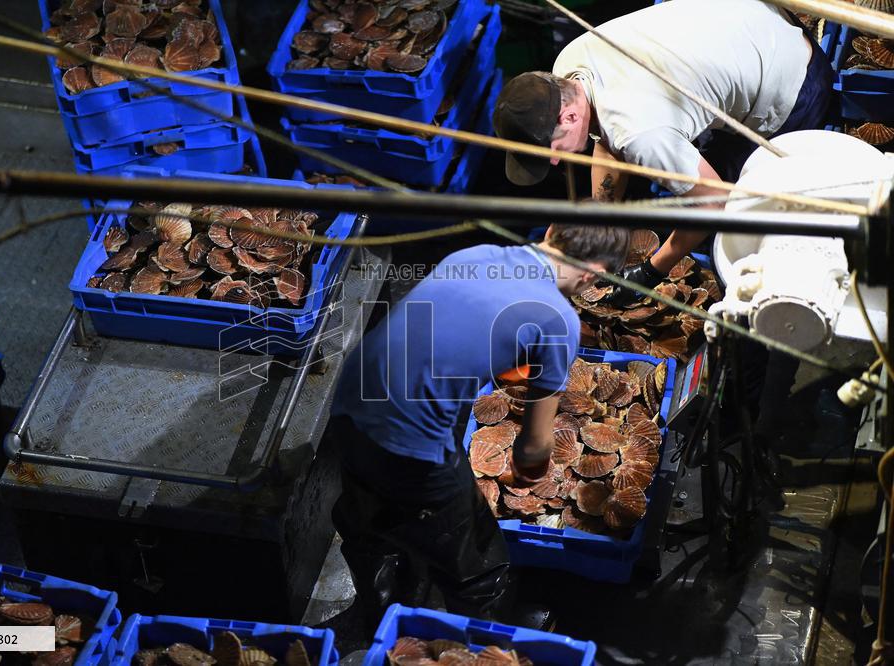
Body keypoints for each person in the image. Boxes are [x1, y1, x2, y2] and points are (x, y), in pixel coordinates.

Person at [326, 225, 630, 628]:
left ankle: (376, 606)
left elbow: (445, 339)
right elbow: (533, 449)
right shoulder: (559, 320)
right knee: (477, 557)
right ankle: (488, 641)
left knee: (366, 511)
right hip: (410, 441)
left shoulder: (475, 254)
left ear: (552, 231)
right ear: (592, 274)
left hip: (349, 401)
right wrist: (531, 473)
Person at [492, 0, 834, 305]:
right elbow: (606, 138)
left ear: (568, 116)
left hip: (794, 81)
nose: (555, 161)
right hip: (756, 18)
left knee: (732, 218)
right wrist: (601, 213)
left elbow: (715, 202)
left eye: (551, 150)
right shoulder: (569, 65)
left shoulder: (642, 135)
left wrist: (652, 271)